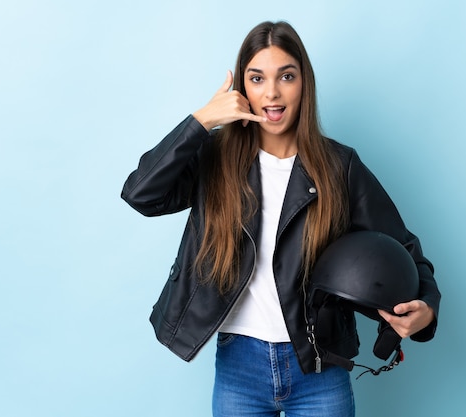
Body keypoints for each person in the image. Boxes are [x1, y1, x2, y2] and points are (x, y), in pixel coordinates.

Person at [121, 20, 441, 417]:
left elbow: (405, 248)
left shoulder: (339, 167)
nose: (271, 92)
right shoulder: (215, 158)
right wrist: (201, 121)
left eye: (286, 76)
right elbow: (141, 194)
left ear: (303, 83)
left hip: (318, 367)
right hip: (239, 365)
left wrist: (426, 307)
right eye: (257, 78)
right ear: (243, 89)